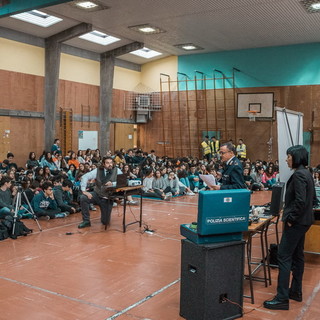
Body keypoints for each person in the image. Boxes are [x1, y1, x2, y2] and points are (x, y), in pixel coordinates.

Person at [264, 145, 318, 310]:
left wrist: (291, 219)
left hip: (296, 222)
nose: (286, 159)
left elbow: (301, 201)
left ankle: (281, 298)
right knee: (297, 255)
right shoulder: (306, 173)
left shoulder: (299, 175)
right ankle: (295, 291)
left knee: (284, 256)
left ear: (296, 157)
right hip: (304, 221)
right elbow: (313, 198)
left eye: (288, 156)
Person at [78, 156, 122, 228]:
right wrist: (84, 191)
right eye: (107, 163)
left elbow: (123, 181)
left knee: (105, 222)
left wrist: (113, 183)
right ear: (103, 164)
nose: (110, 164)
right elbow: (84, 177)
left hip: (107, 198)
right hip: (97, 195)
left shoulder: (117, 170)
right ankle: (86, 221)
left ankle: (104, 216)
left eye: (111, 163)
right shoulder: (97, 170)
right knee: (83, 198)